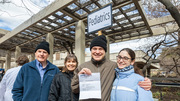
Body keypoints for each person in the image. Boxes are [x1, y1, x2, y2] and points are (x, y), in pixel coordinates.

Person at [71, 35, 152, 101]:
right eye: (94, 49)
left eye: (100, 49)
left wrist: (146, 81)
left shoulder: (114, 66)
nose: (97, 52)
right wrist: (79, 77)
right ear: (91, 50)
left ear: (105, 51)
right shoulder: (82, 67)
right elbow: (74, 89)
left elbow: (127, 75)